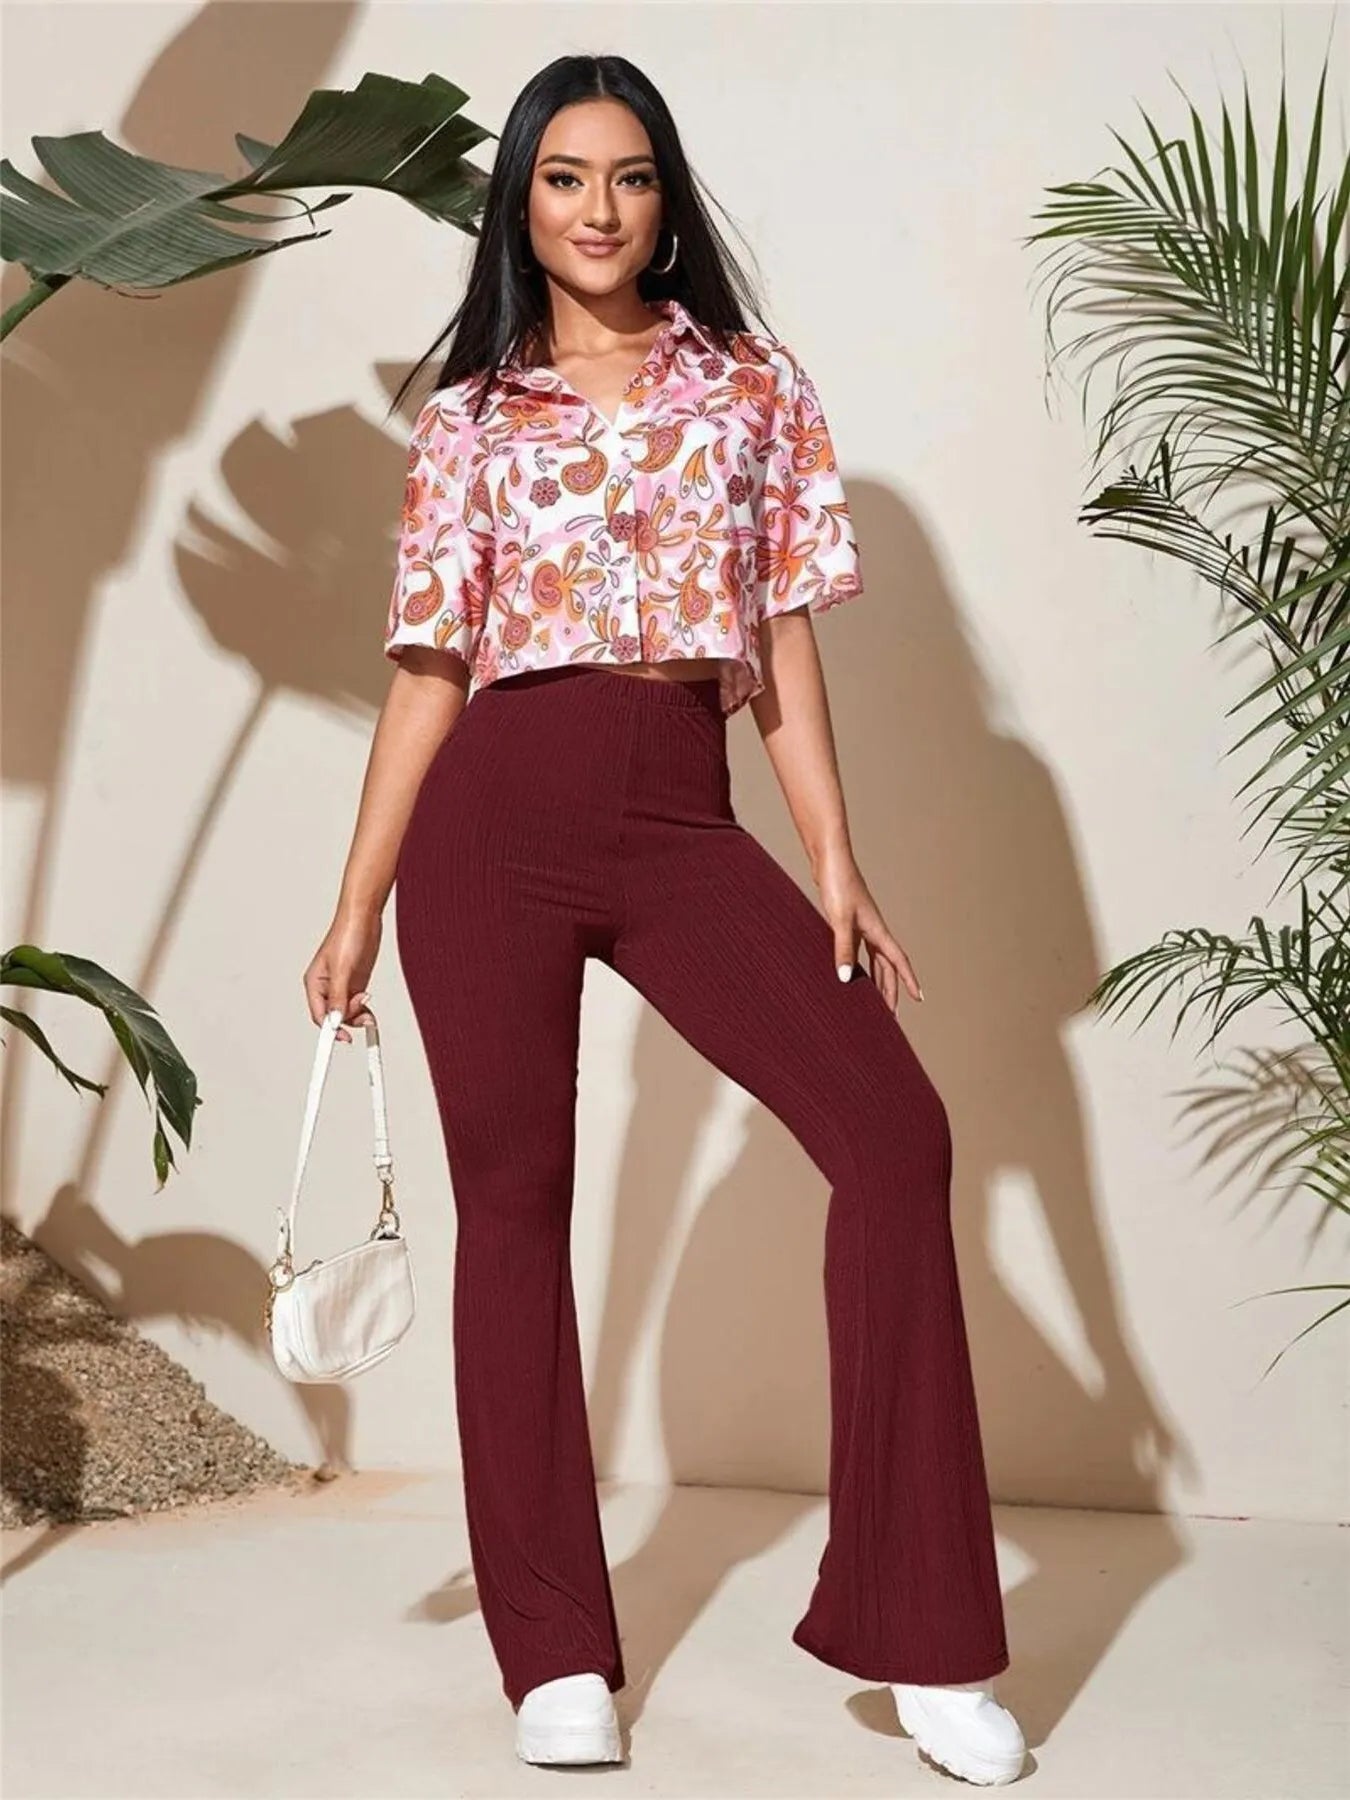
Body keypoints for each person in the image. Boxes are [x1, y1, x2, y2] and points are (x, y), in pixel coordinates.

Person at [304, 51, 1027, 1790]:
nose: (600, 210)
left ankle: (923, 1642)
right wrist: (353, 902)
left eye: (628, 177)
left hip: (675, 813)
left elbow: (781, 637)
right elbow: (425, 672)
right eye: (563, 179)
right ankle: (551, 1649)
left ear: (665, 193)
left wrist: (831, 855)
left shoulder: (752, 387)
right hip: (490, 823)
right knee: (514, 1212)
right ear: (522, 205)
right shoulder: (473, 417)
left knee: (893, 1136)